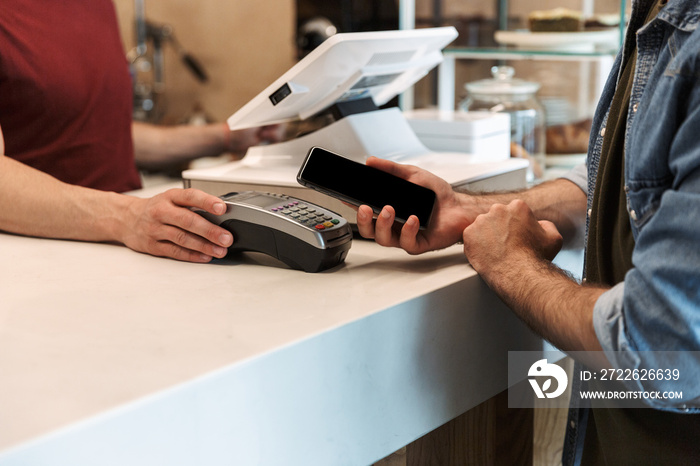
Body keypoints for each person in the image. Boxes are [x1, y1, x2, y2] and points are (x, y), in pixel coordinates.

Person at [356, 0, 700, 463]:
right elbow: (610, 182)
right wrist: (467, 210)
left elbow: (665, 345)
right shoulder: (655, 12)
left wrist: (512, 263)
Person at [0, 0, 279, 263]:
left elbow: (108, 135)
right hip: (42, 257)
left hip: (120, 251)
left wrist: (227, 136)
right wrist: (127, 216)